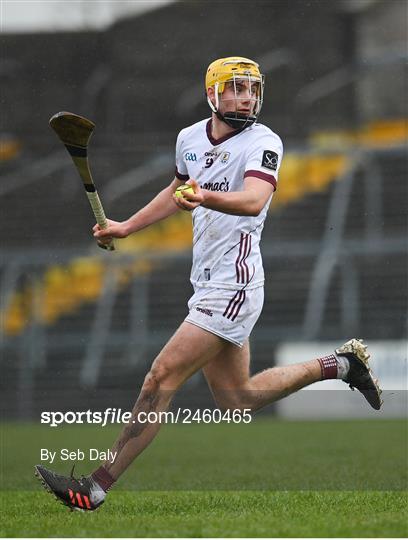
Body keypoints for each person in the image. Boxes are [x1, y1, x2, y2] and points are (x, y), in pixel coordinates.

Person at [35, 56, 382, 511]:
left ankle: (95, 487)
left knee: (161, 375)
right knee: (237, 401)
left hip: (234, 285)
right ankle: (340, 365)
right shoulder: (189, 139)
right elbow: (176, 190)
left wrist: (203, 196)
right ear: (212, 94)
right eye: (236, 88)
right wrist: (126, 226)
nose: (247, 97)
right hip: (207, 282)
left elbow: (255, 200)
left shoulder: (264, 141)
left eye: (253, 89)